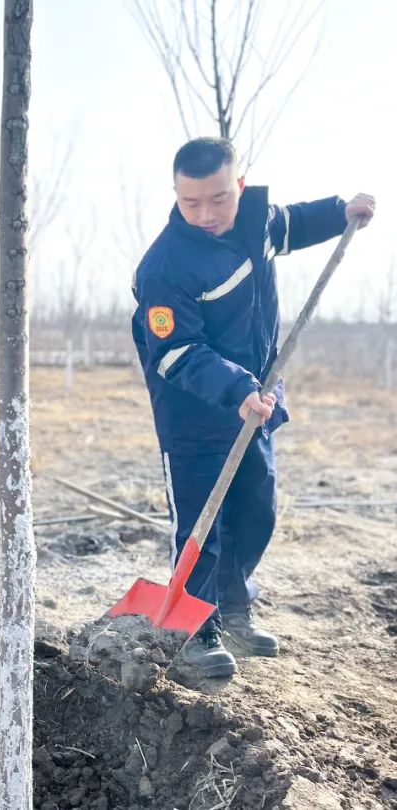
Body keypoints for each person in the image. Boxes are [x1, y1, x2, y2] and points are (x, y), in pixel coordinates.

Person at [131, 137, 374, 678]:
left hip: (257, 405)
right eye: (190, 202)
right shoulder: (165, 267)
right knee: (201, 522)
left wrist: (341, 212)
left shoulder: (256, 224)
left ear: (238, 187)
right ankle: (195, 628)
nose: (206, 214)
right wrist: (237, 388)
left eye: (218, 198)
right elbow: (174, 354)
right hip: (196, 415)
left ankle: (235, 608)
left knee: (254, 512)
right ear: (175, 195)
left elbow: (292, 223)